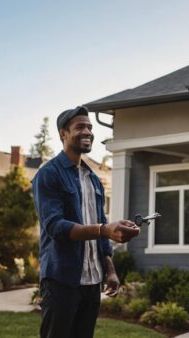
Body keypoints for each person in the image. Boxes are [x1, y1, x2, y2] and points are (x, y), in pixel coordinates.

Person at [33, 105, 141, 338]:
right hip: (61, 279)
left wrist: (109, 269)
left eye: (90, 127)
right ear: (63, 133)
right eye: (80, 127)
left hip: (92, 281)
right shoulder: (49, 174)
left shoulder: (93, 179)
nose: (88, 131)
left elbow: (100, 222)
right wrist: (104, 230)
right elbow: (55, 227)